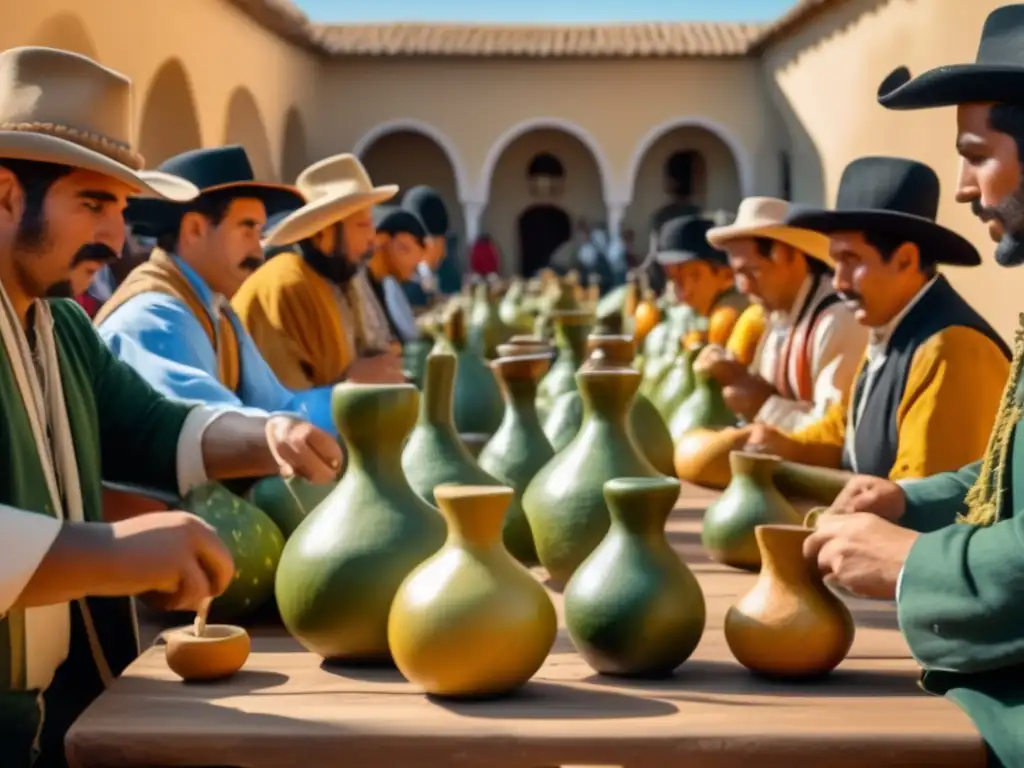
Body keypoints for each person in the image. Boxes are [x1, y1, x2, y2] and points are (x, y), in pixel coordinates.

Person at [0, 46, 342, 766]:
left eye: (121, 210)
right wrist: (116, 554)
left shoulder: (60, 330)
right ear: (5, 196)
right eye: (93, 204)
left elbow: (153, 428)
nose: (116, 236)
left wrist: (268, 434)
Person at [810, 7, 1024, 765]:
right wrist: (906, 501)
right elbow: (1004, 479)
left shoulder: (952, 345)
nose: (967, 188)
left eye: (977, 153)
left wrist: (907, 560)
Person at [747, 156, 1010, 482]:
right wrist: (777, 446)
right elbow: (846, 435)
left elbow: (923, 497)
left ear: (905, 260)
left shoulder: (950, 348)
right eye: (835, 261)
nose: (839, 282)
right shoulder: (889, 330)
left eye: (852, 260)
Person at [91, 146, 337, 435]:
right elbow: (216, 431)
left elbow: (279, 406)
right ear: (195, 229)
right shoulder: (154, 316)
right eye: (247, 230)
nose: (259, 252)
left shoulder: (217, 312)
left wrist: (355, 404)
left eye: (260, 234)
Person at [232, 153, 404, 391]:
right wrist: (353, 384)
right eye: (362, 225)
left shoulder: (338, 283)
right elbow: (283, 412)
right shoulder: (285, 286)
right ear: (323, 234)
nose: (371, 238)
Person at [695, 197, 867, 431]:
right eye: (738, 274)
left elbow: (833, 432)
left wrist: (761, 405)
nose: (744, 287)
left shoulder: (838, 321)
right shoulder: (778, 318)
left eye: (752, 271)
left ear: (789, 256)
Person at [654, 215, 754, 353]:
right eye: (674, 279)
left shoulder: (735, 317)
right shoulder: (679, 318)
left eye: (695, 275)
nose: (684, 293)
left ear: (726, 274)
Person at [367, 205, 428, 343]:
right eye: (404, 248)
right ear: (383, 240)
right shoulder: (357, 283)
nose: (413, 270)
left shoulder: (383, 284)